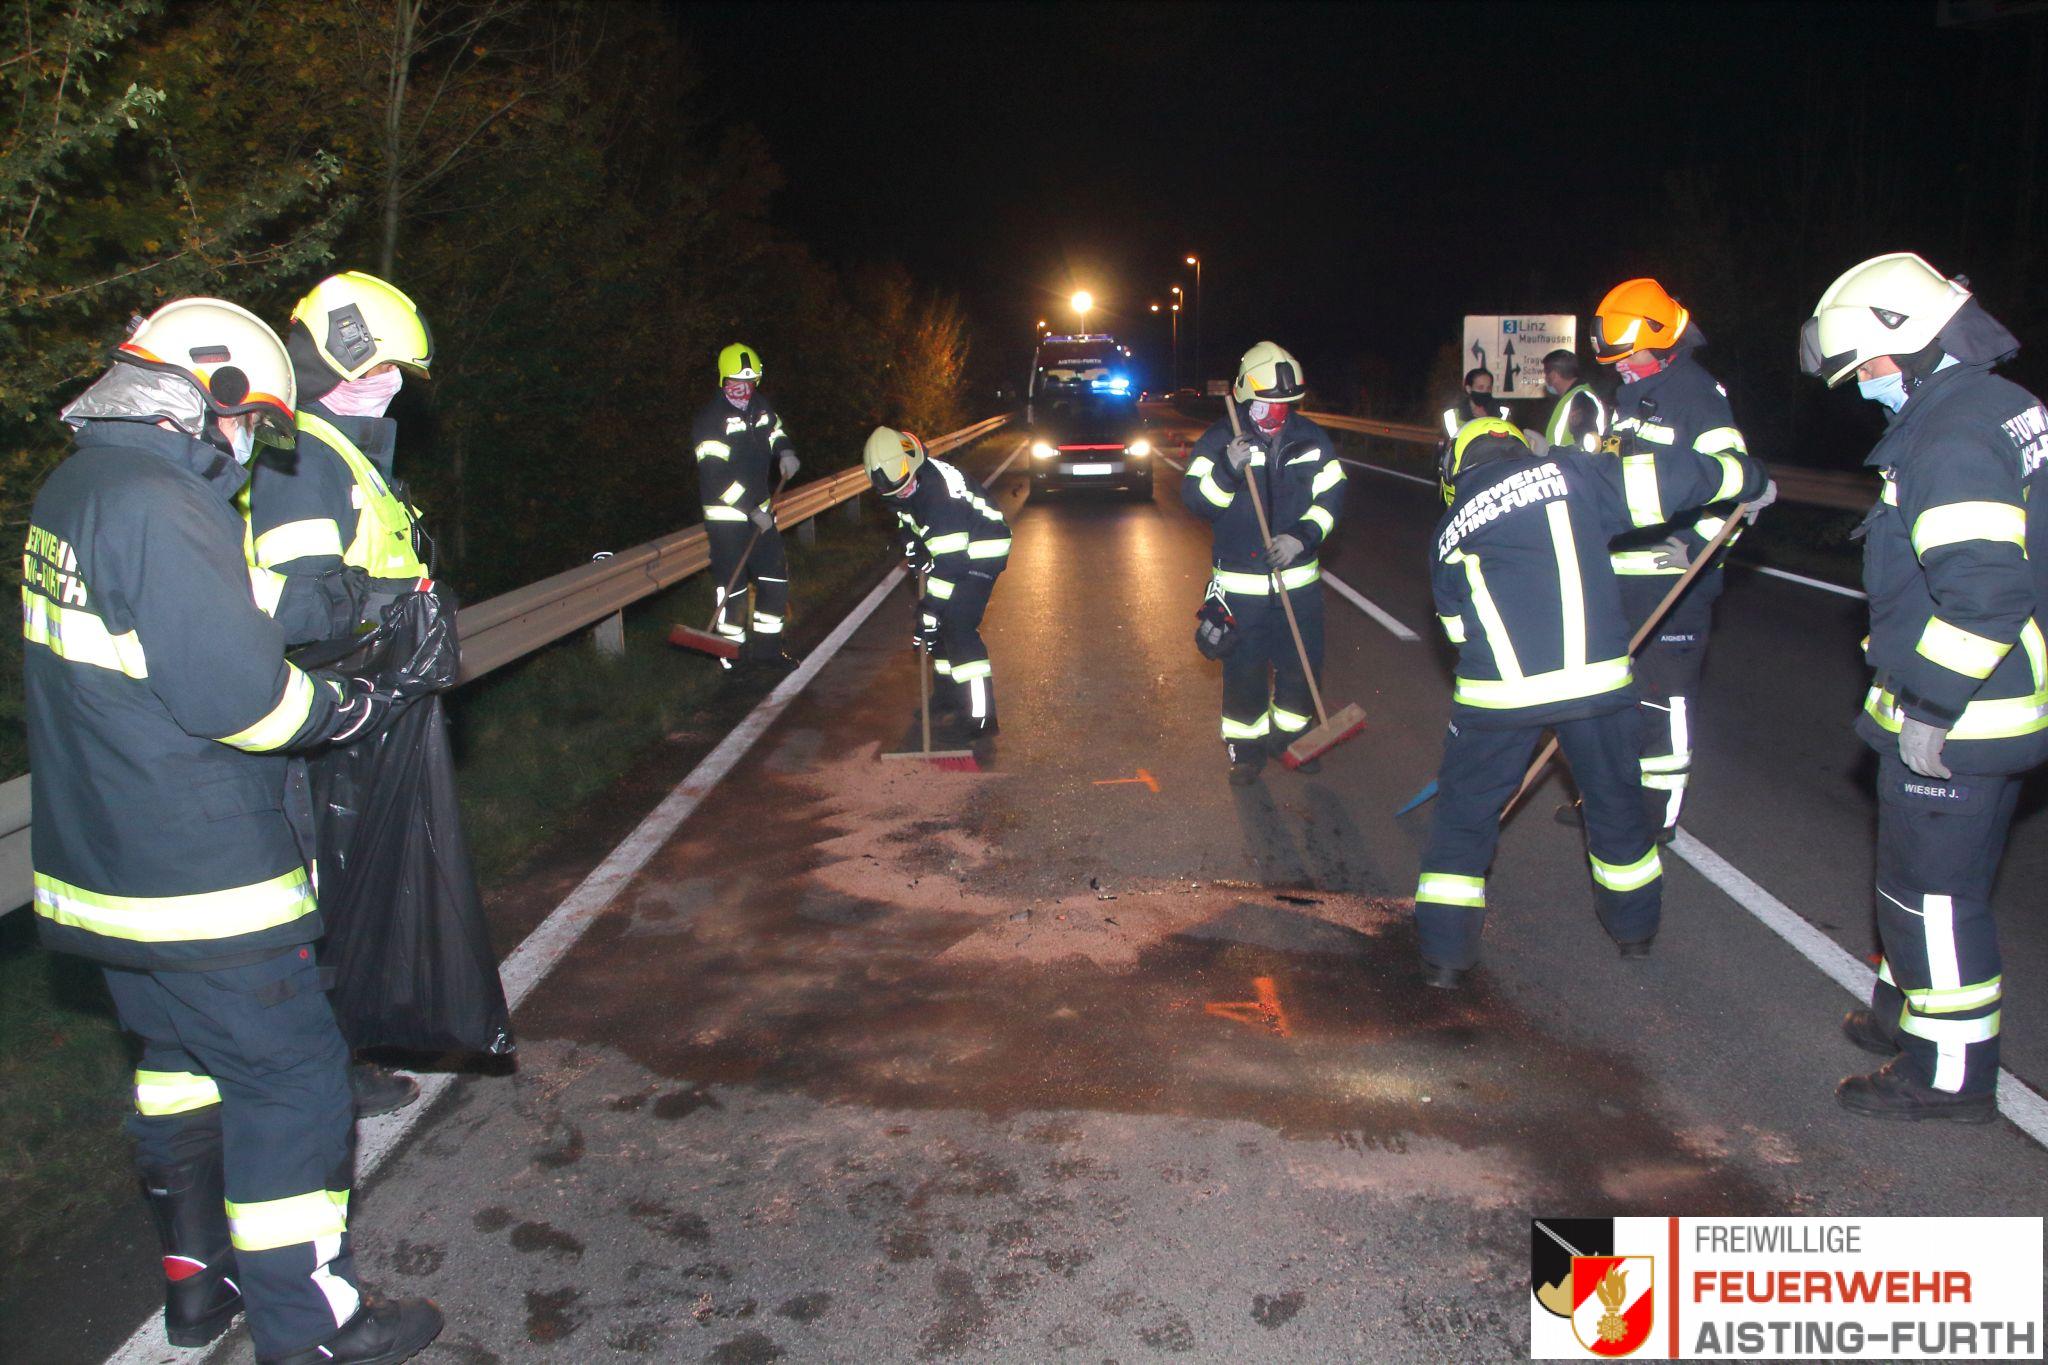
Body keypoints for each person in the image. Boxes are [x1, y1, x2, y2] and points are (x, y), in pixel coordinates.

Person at [26, 299, 442, 1361]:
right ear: (201, 398)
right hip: (201, 874)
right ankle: (311, 1328)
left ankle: (196, 1285)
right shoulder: (162, 503)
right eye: (247, 419)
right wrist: (351, 706)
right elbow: (242, 699)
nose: (250, 442)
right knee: (294, 1084)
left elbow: (207, 602)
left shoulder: (79, 489)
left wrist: (342, 603)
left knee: (178, 1063)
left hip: (100, 870)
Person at [1801, 253, 2047, 1123]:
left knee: (1931, 898)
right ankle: (1902, 1014)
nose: (1864, 384)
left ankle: (1947, 1074)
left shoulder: (1949, 438)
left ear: (1909, 345)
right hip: (2002, 691)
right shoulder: (2002, 405)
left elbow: (1984, 591)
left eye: (1866, 366)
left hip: (1968, 713)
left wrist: (1933, 705)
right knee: (1920, 880)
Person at [1414, 418, 1770, 988]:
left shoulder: (1449, 529)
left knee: (1464, 819)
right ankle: (1635, 933)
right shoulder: (1574, 473)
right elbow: (1670, 479)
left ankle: (1445, 960)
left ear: (1455, 471)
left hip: (1499, 695)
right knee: (1616, 806)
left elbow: (1457, 631)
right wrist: (1745, 476)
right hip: (1596, 686)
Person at [245, 270, 436, 1118]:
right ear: (328, 366)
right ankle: (325, 1070)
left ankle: (341, 1048)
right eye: (376, 368)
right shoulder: (303, 461)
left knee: (345, 893)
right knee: (316, 900)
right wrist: (387, 606)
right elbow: (296, 607)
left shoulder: (347, 452)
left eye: (397, 372)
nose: (389, 384)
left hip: (353, 715)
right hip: (311, 725)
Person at [1576, 278, 1775, 841]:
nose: (1620, 367)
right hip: (1620, 579)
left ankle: (1655, 815)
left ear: (1663, 342)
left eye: (1629, 356)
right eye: (1613, 359)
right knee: (1613, 696)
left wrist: (1691, 552)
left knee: (1662, 702)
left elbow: (1734, 487)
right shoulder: (1631, 397)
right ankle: (1610, 796)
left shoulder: (1696, 395)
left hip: (1674, 585)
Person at [1182, 341, 1347, 784]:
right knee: (1245, 673)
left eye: (1284, 404)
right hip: (1241, 589)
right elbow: (1197, 501)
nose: (1276, 413)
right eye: (1267, 402)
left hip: (1298, 583)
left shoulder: (1310, 439)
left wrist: (1301, 538)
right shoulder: (1221, 440)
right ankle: (1246, 751)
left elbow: (1332, 497)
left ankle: (1290, 739)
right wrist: (1226, 470)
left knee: (1301, 668)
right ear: (1246, 396)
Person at [864, 425, 1010, 738]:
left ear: (914, 465)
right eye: (895, 492)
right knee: (940, 629)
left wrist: (929, 609)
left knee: (957, 626)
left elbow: (952, 565)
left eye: (906, 487)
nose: (902, 493)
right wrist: (913, 545)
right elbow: (907, 517)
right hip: (953, 550)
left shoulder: (938, 497)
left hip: (981, 549)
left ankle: (981, 716)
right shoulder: (905, 480)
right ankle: (948, 697)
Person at [689, 342, 800, 670]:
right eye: (736, 383)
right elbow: (715, 477)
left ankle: (768, 652)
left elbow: (775, 430)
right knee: (733, 592)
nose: (743, 390)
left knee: (775, 581)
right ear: (723, 381)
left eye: (749, 383)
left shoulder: (759, 407)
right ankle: (732, 661)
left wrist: (785, 451)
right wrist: (751, 510)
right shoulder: (710, 421)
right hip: (728, 521)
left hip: (761, 514)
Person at [1541, 348, 1606, 454]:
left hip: (1574, 463)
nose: (1545, 379)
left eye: (1546, 374)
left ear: (1554, 375)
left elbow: (1585, 444)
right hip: (1565, 463)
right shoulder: (1572, 398)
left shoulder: (1580, 398)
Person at [1441, 365, 1509, 440]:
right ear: (1469, 389)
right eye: (1480, 388)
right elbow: (1455, 441)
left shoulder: (1502, 412)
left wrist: (1485, 419)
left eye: (1488, 388)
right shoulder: (1453, 414)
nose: (1485, 391)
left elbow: (1503, 440)